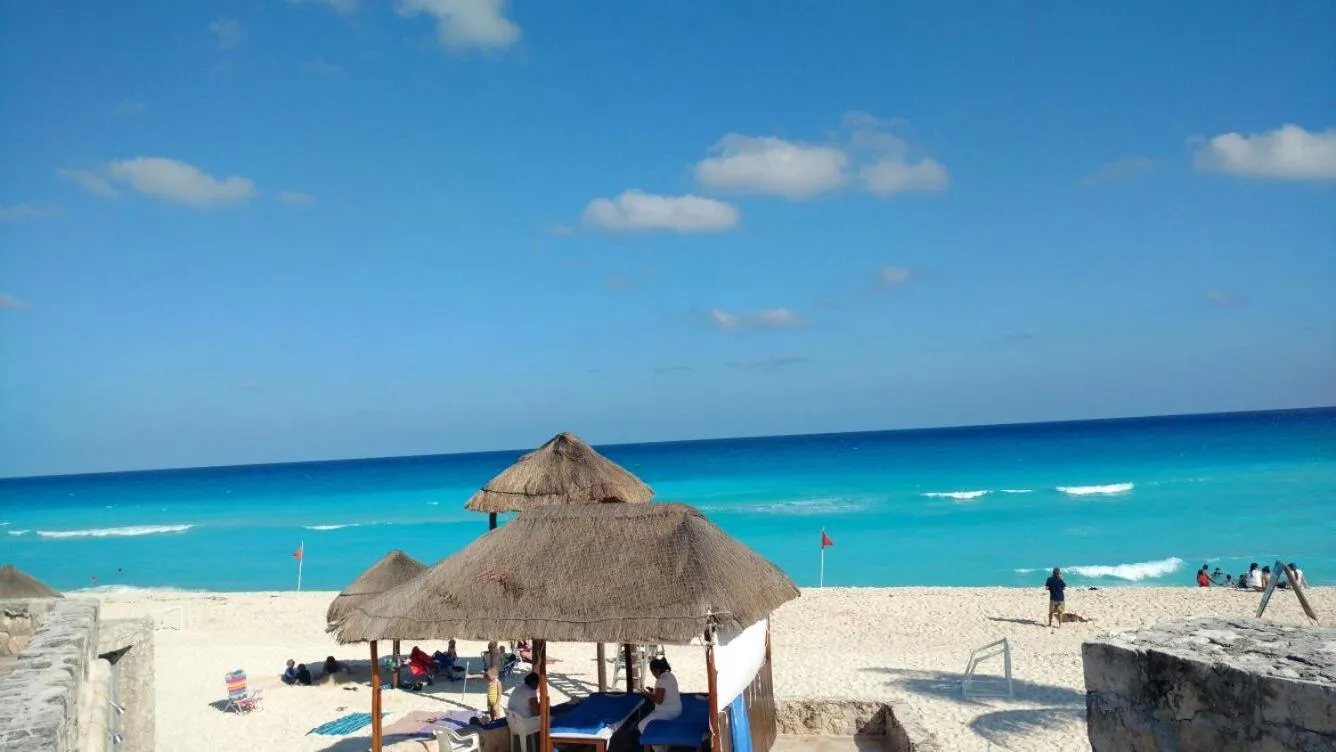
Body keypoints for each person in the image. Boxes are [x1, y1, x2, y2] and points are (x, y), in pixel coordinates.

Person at [637, 657, 682, 747]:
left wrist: (646, 694)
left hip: (667, 712)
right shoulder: (670, 676)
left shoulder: (661, 680)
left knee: (641, 726)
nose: (654, 675)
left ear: (657, 670)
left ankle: (659, 748)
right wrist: (653, 691)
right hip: (677, 710)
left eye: (653, 673)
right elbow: (667, 692)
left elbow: (658, 700)